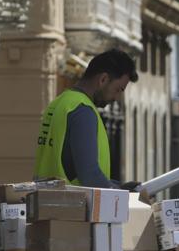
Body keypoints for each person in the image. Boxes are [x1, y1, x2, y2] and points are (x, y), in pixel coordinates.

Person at [34, 49, 139, 190]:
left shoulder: (59, 103)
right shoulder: (83, 110)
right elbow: (90, 176)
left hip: (46, 203)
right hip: (74, 207)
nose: (116, 98)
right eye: (118, 89)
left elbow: (72, 170)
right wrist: (123, 194)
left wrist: (119, 186)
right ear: (103, 79)